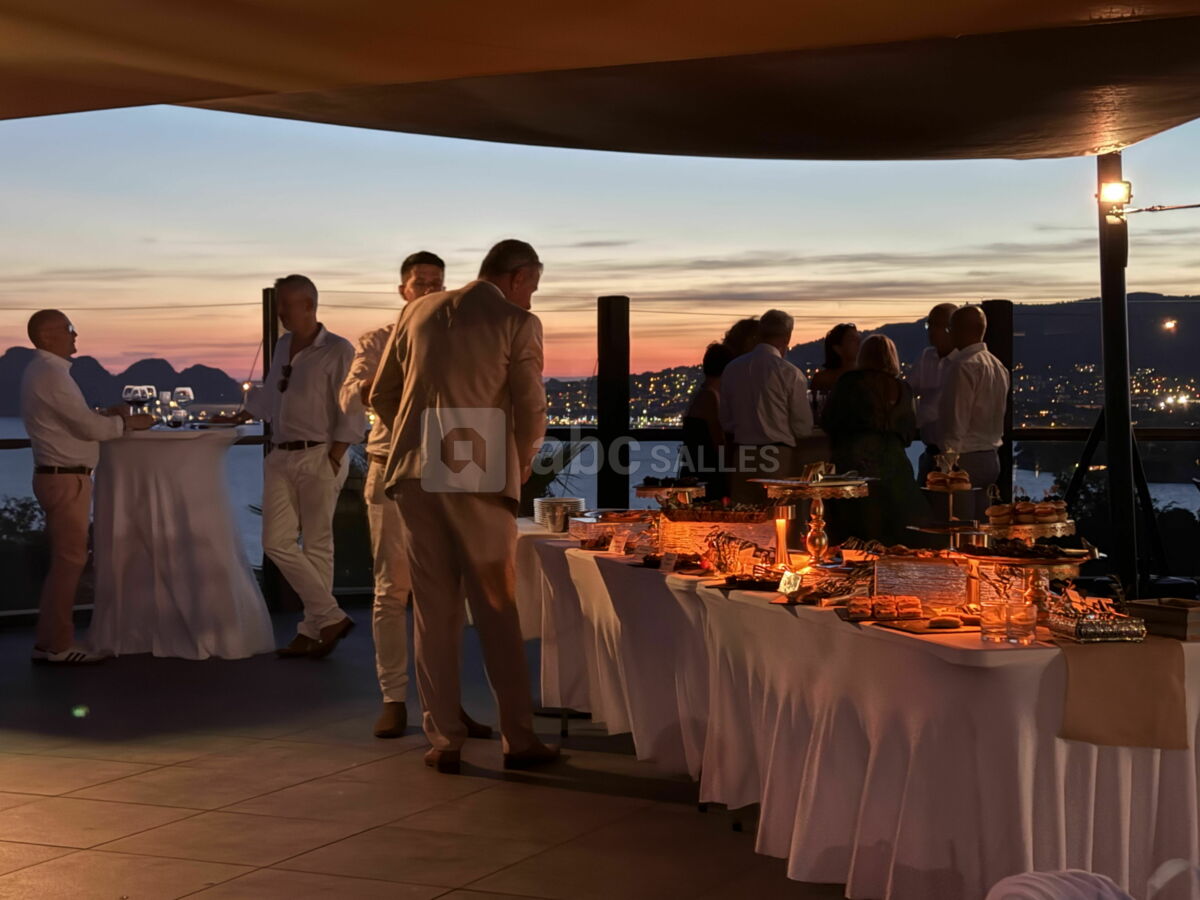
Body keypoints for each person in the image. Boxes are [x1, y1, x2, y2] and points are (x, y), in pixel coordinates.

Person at [372, 238, 559, 774]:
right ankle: (518, 739)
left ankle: (444, 739)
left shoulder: (417, 311)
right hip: (475, 474)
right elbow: (530, 406)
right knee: (497, 607)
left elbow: (381, 395)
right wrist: (517, 463)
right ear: (519, 277)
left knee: (433, 611)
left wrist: (418, 439)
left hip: (412, 473)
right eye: (533, 288)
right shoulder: (517, 321)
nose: (531, 298)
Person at [222, 275, 365, 658]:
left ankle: (311, 629)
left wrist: (335, 455)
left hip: (319, 454)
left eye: (285, 304)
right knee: (276, 542)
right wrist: (238, 418)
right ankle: (329, 616)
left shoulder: (337, 350)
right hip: (281, 455)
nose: (281, 312)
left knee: (319, 545)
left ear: (308, 304)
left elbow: (351, 408)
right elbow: (271, 394)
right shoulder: (284, 345)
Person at [19, 310, 155, 664]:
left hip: (59, 476)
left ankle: (50, 641)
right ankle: (55, 646)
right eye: (70, 330)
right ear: (48, 336)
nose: (75, 337)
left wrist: (109, 415)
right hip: (65, 478)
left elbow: (75, 420)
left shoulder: (45, 373)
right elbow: (88, 429)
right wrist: (128, 423)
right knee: (70, 560)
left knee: (67, 560)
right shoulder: (50, 374)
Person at [822, 334, 923, 544]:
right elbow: (908, 432)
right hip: (895, 470)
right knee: (895, 535)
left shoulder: (848, 383)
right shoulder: (903, 389)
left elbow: (830, 420)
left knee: (853, 534)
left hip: (854, 467)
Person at [719, 309, 813, 501]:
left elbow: (726, 420)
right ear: (788, 337)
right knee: (777, 516)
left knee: (744, 516)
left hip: (743, 453)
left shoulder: (732, 369)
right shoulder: (790, 373)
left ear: (760, 333)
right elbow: (802, 427)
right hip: (778, 455)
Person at [938, 305, 1010, 519]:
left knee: (958, 524)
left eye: (951, 329)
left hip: (965, 459)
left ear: (961, 330)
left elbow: (955, 420)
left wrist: (947, 466)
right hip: (991, 458)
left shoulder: (962, 366)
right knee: (982, 525)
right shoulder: (998, 367)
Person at [909, 303, 958, 486]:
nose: (932, 331)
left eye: (937, 325)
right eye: (930, 325)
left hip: (955, 454)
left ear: (952, 329)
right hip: (930, 451)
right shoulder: (926, 357)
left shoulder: (963, 363)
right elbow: (909, 390)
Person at [679, 342, 734, 500]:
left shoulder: (701, 394)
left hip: (696, 468)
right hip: (705, 472)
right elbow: (718, 439)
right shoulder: (709, 397)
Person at [810, 322, 861, 416]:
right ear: (838, 349)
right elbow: (814, 411)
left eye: (858, 338)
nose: (859, 342)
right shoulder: (822, 380)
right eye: (852, 339)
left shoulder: (868, 377)